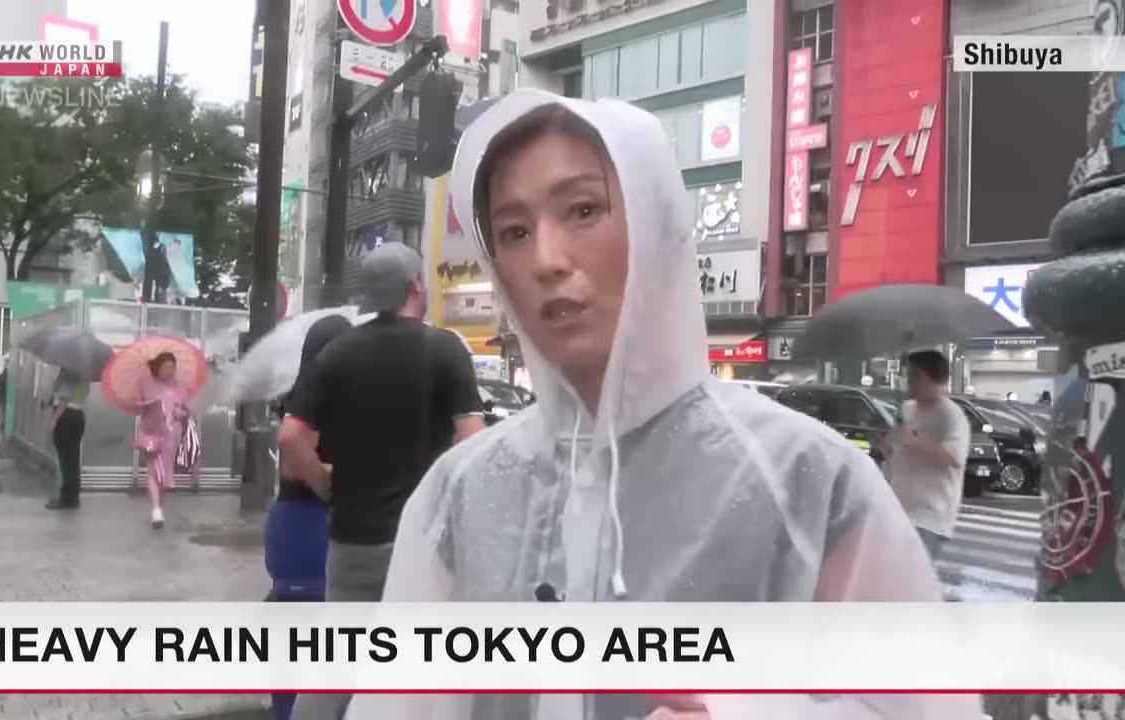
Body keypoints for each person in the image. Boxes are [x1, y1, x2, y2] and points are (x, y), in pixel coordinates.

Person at [345, 91, 980, 720]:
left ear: (658, 226)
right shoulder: (460, 493)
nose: (546, 259)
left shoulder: (807, 480)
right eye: (513, 231)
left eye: (584, 209)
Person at [283, 242, 485, 720]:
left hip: (351, 539)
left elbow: (292, 435)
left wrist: (323, 483)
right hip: (421, 543)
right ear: (416, 285)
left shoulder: (337, 352)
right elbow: (473, 442)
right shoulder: (445, 348)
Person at [267, 314, 353, 720]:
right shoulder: (335, 397)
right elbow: (293, 458)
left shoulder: (297, 394)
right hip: (317, 525)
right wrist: (330, 482)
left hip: (288, 523)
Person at [886, 350, 971, 561]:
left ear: (937, 380)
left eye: (917, 377)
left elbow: (953, 457)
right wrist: (889, 445)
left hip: (928, 516)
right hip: (900, 508)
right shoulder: (907, 409)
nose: (911, 383)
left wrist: (913, 442)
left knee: (911, 584)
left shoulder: (950, 414)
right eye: (909, 377)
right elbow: (897, 445)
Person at [138, 352, 190, 528]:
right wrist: (151, 403)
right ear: (157, 367)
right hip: (152, 433)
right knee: (153, 471)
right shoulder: (146, 383)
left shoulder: (180, 389)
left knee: (165, 476)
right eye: (166, 367)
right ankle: (155, 509)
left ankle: (159, 506)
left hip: (171, 435)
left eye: (172, 367)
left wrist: (179, 413)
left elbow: (186, 412)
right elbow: (138, 405)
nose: (169, 371)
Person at [46, 368, 88, 510]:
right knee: (72, 459)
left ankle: (67, 498)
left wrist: (54, 421)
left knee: (65, 460)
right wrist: (49, 402)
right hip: (78, 416)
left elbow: (64, 401)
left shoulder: (68, 375)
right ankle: (72, 497)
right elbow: (78, 396)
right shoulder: (84, 377)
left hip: (66, 417)